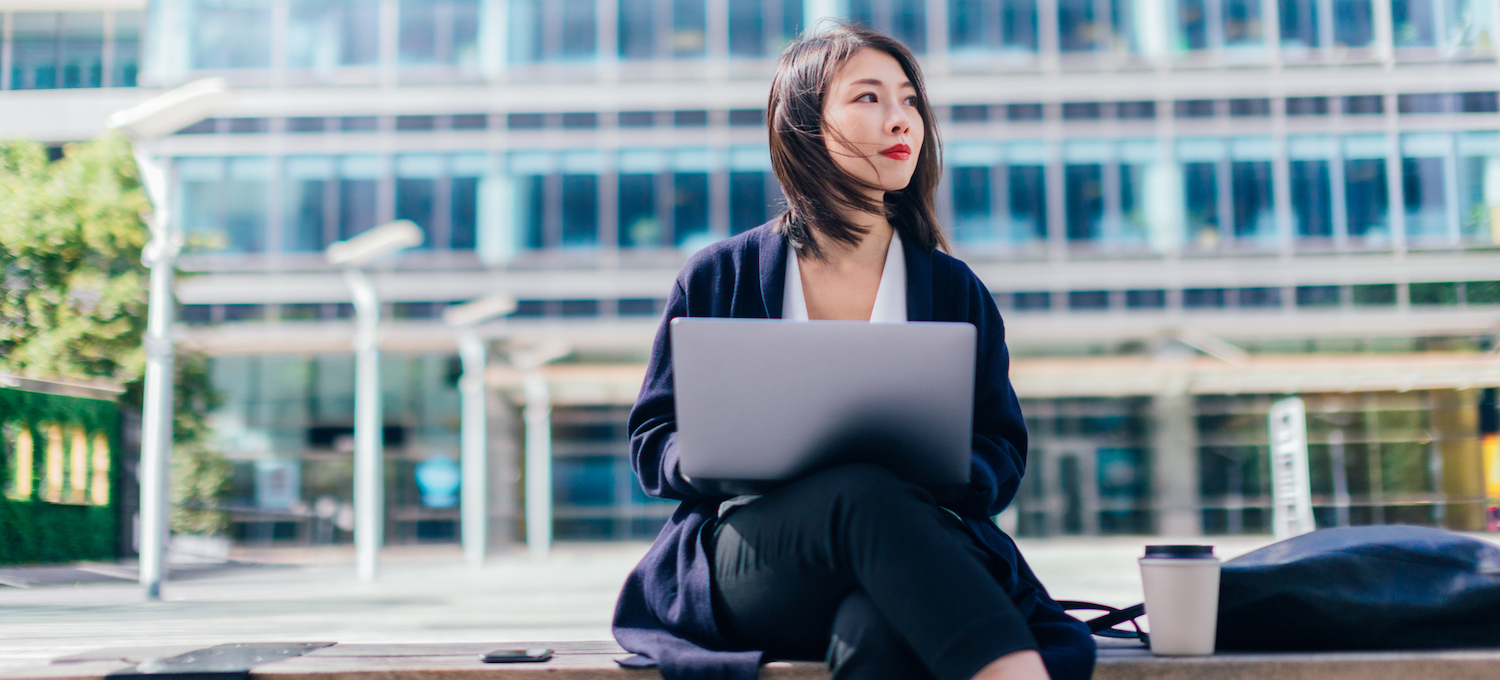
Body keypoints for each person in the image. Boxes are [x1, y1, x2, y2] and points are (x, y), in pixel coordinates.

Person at [611, 22, 1097, 680]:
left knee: (877, 629)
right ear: (806, 125)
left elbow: (1001, 456)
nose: (900, 121)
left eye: (909, 100)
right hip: (757, 560)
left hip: (906, 550)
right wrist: (710, 454)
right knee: (858, 492)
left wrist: (947, 466)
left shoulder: (953, 289)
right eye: (869, 99)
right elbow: (651, 441)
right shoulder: (719, 275)